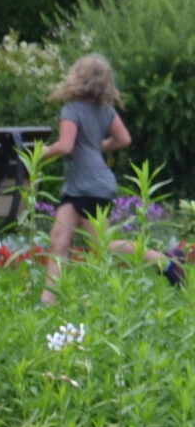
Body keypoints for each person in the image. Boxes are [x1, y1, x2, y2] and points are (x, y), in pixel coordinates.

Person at [40, 52, 135, 305]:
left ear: (77, 78)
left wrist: (39, 154)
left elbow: (65, 146)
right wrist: (94, 148)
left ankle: (165, 261)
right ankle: (48, 300)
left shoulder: (70, 110)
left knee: (102, 247)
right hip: (78, 187)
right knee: (59, 240)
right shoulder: (106, 110)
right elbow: (123, 139)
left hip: (91, 187)